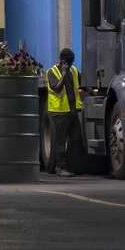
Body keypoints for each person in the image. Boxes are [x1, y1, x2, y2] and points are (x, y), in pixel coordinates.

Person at [43, 47, 82, 176]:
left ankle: (70, 165)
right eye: (69, 62)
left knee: (75, 139)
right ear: (63, 61)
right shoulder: (52, 72)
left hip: (72, 110)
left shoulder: (74, 70)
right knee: (61, 141)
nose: (71, 65)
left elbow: (79, 86)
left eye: (72, 62)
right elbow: (57, 89)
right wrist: (64, 73)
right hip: (58, 112)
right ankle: (60, 168)